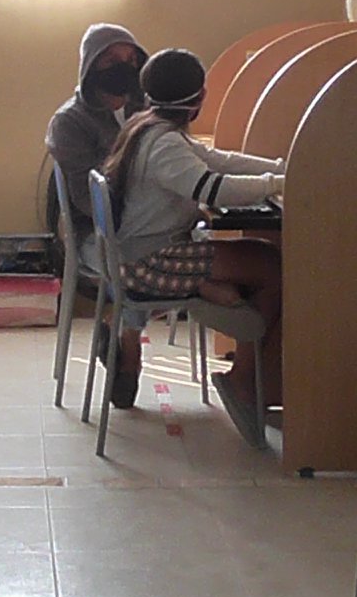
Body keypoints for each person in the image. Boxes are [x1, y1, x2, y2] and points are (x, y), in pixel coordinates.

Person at [99, 48, 285, 447]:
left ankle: (222, 299)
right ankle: (242, 381)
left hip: (143, 254)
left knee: (261, 259)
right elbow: (211, 188)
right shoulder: (164, 143)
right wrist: (276, 183)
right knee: (273, 267)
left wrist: (280, 167)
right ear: (201, 96)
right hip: (151, 262)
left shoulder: (148, 126)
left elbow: (216, 159)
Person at [46, 23, 147, 269]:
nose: (124, 68)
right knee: (159, 268)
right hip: (95, 233)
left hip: (149, 224)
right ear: (91, 67)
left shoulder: (145, 110)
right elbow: (87, 199)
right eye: (112, 61)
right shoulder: (69, 121)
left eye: (131, 60)